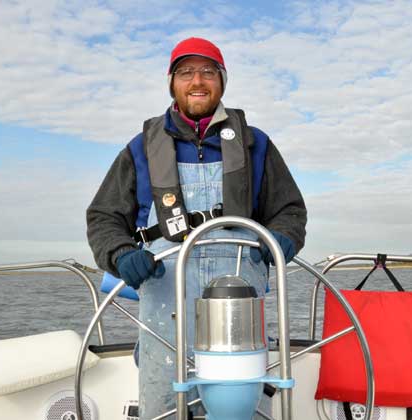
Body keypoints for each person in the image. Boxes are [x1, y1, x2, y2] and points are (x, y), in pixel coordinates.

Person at [87, 37, 307, 419]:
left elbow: (290, 211)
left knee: (243, 408)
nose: (197, 81)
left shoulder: (257, 145)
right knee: (164, 408)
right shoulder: (140, 148)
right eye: (186, 72)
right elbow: (104, 217)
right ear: (172, 82)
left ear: (222, 81)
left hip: (240, 305)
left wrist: (282, 240)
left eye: (208, 71)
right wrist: (122, 255)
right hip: (164, 300)